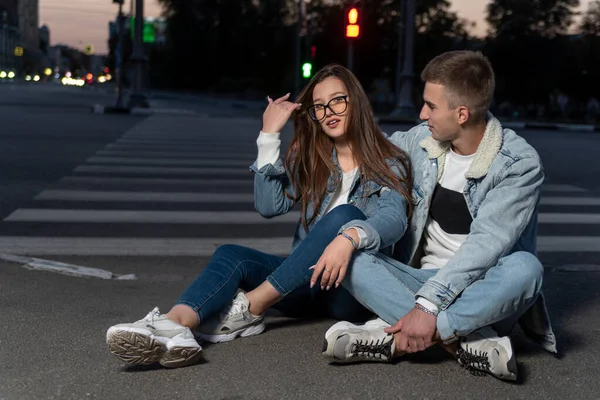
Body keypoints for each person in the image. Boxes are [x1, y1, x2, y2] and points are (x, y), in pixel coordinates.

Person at [105, 64, 413, 368]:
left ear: (355, 102)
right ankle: (176, 325)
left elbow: (394, 220)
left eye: (338, 100)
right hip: (304, 283)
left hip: (352, 293)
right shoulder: (318, 162)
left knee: (345, 215)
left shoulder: (388, 161)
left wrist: (349, 238)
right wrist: (268, 135)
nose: (329, 111)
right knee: (231, 255)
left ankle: (253, 306)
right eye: (319, 106)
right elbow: (269, 206)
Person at [322, 51, 556, 382]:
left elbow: (488, 244)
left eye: (431, 106)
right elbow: (374, 151)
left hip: (483, 292)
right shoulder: (421, 140)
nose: (422, 113)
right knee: (349, 255)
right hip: (420, 281)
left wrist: (428, 308)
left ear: (461, 113)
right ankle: (463, 342)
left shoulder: (519, 164)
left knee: (526, 269)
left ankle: (394, 336)